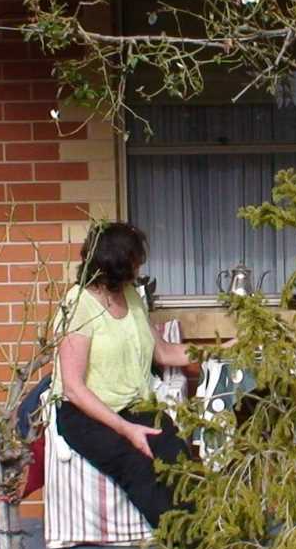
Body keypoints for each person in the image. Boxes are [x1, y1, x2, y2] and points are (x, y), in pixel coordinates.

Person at [52, 222, 194, 529]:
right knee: (139, 465)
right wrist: (126, 429)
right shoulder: (77, 305)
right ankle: (185, 538)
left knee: (177, 454)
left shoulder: (130, 295)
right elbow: (74, 388)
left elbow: (164, 353)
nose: (139, 266)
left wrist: (221, 349)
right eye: (134, 260)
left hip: (135, 405)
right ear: (115, 263)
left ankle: (218, 529)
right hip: (86, 414)